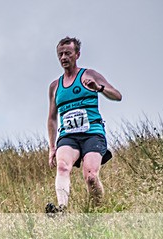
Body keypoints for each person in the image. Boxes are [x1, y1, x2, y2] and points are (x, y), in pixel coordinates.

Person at [46, 36, 122, 213]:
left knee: (91, 177)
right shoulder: (55, 86)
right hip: (68, 136)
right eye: (60, 54)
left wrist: (99, 89)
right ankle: (61, 210)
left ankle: (98, 212)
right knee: (63, 166)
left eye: (68, 53)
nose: (64, 57)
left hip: (92, 133)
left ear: (77, 54)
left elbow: (117, 95)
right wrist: (51, 147)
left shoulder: (89, 75)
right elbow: (51, 118)